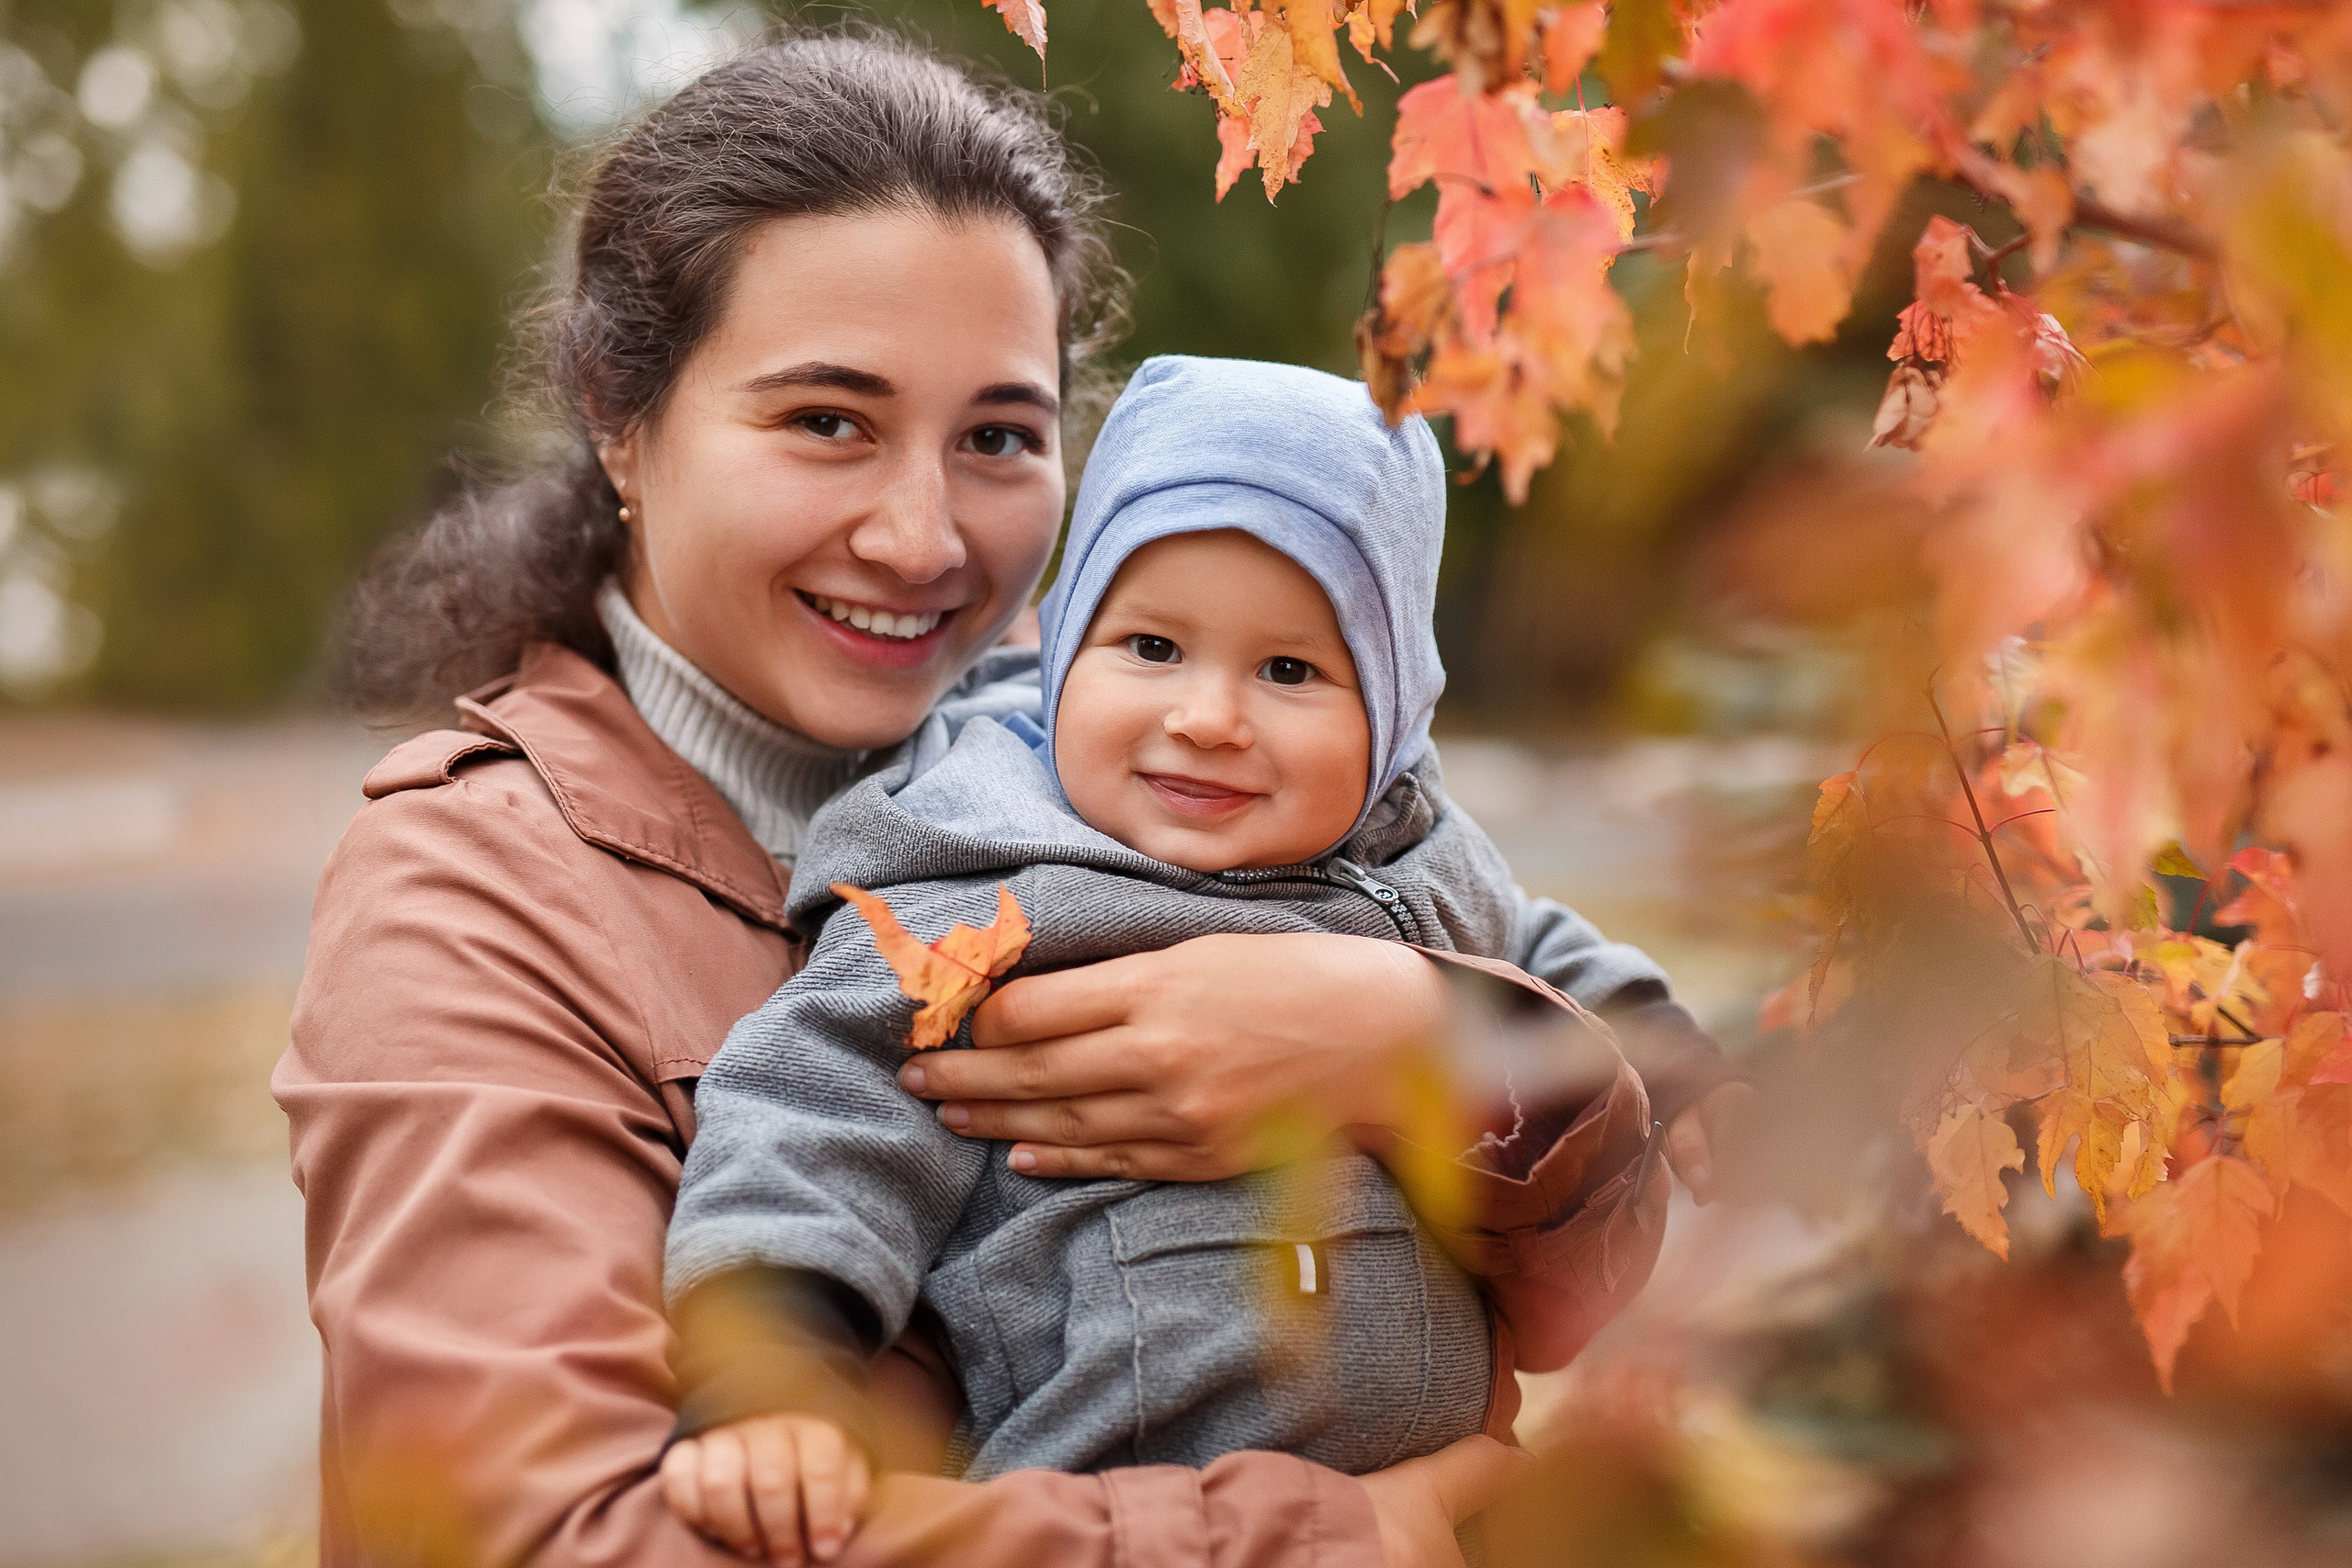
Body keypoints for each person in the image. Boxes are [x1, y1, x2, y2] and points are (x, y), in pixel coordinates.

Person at [276, 28, 1740, 1568]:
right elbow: (551, 1540)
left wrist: (1427, 1038)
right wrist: (1332, 1535)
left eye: (996, 438)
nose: (921, 538)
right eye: (826, 419)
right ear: (620, 417)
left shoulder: (1179, 772)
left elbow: (1576, 1301)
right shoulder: (473, 895)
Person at [658, 356, 1674, 1564]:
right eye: (1148, 647)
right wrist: (773, 1377)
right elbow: (811, 1116)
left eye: (1290, 670)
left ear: (1396, 710)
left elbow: (1540, 950)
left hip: (1456, 1516)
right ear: (1063, 654)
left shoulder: (1423, 862)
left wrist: (1666, 1050)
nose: (1205, 715)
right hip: (1133, 1505)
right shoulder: (983, 900)